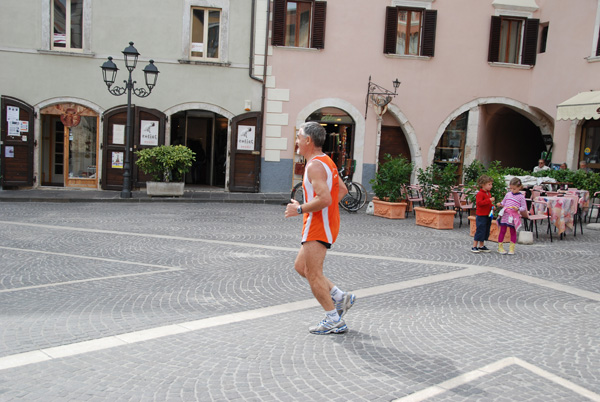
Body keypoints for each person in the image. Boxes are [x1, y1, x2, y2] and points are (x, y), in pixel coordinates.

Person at [285, 122, 355, 335]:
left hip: (317, 225)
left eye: (298, 137)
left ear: (308, 140)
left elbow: (324, 198)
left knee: (314, 274)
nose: (296, 141)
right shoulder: (327, 161)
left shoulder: (314, 165)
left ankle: (334, 319)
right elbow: (341, 190)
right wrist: (327, 211)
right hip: (323, 223)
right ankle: (340, 297)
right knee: (301, 267)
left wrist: (300, 209)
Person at [496, 177, 527, 255]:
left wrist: (518, 208)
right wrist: (500, 204)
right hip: (505, 214)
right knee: (502, 230)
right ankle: (500, 247)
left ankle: (511, 248)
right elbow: (504, 202)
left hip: (513, 216)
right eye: (511, 189)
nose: (512, 190)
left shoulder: (521, 197)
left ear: (519, 187)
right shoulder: (508, 194)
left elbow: (524, 208)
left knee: (512, 231)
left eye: (514, 189)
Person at [471, 175, 495, 253]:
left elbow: (488, 203)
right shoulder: (480, 194)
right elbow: (479, 203)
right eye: (489, 184)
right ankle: (474, 246)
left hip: (487, 214)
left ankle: (481, 245)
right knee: (480, 229)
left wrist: (492, 206)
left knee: (485, 229)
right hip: (481, 215)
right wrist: (489, 200)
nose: (491, 186)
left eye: (491, 184)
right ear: (483, 185)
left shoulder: (488, 193)